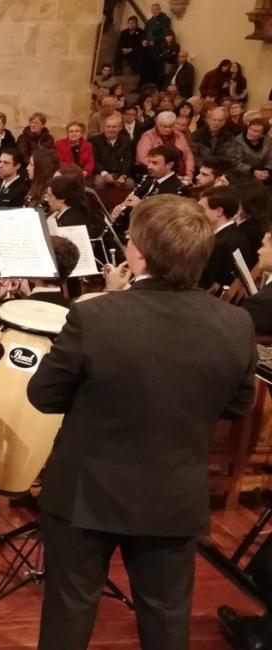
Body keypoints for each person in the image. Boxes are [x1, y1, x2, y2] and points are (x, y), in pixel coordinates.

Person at [29, 194, 255, 650]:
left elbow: (43, 395)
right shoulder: (235, 323)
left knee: (69, 612)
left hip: (84, 494)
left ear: (138, 253)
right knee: (167, 617)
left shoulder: (95, 314)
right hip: (173, 493)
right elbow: (237, 405)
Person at [198, 185, 254, 290]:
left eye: (201, 209)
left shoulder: (221, 243)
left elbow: (204, 281)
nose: (197, 213)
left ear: (219, 212)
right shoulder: (234, 234)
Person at [137, 111, 195, 179]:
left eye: (170, 127)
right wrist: (163, 169)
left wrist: (189, 173)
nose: (167, 129)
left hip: (179, 172)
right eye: (164, 127)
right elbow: (142, 158)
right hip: (155, 173)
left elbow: (188, 156)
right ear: (157, 125)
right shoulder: (148, 136)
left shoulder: (179, 135)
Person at [91, 115, 135, 190]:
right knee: (99, 183)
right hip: (102, 173)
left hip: (120, 173)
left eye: (114, 127)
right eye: (108, 126)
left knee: (130, 183)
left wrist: (123, 176)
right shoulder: (95, 140)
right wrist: (105, 174)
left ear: (120, 128)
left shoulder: (126, 141)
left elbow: (128, 161)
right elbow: (95, 161)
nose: (110, 129)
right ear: (104, 127)